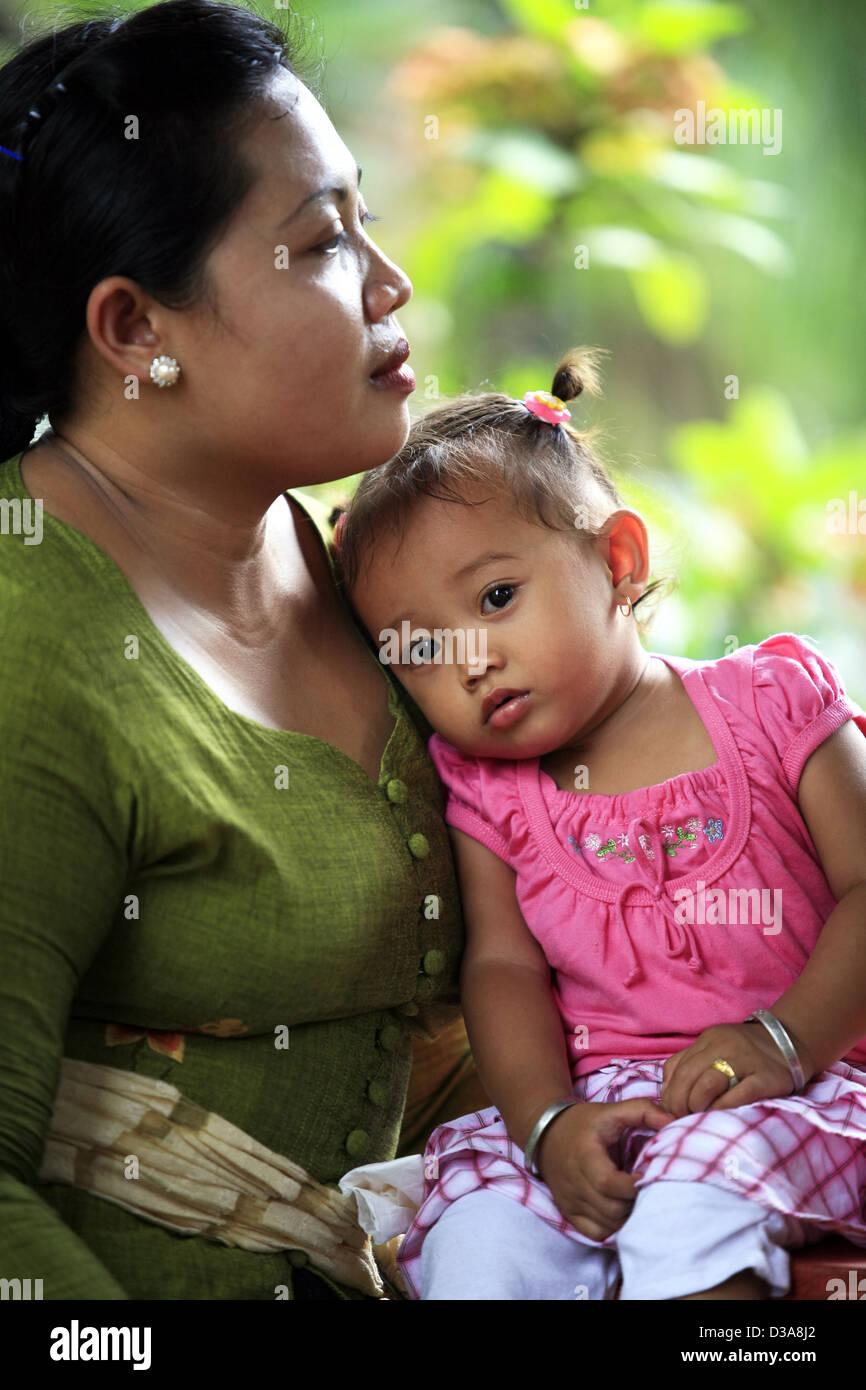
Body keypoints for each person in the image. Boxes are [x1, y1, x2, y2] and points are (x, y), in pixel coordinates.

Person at [0, 0, 489, 1302]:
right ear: (132, 331)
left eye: (365, 219)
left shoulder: (363, 562)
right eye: (321, 243)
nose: (389, 282)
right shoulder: (26, 642)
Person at [335, 347, 866, 1301]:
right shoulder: (488, 792)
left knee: (690, 1208)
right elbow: (503, 968)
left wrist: (783, 1041)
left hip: (801, 1082)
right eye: (420, 649)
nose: (470, 664)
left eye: (497, 599)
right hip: (595, 1112)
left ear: (617, 561)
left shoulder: (773, 706)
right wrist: (545, 1125)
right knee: (479, 1239)